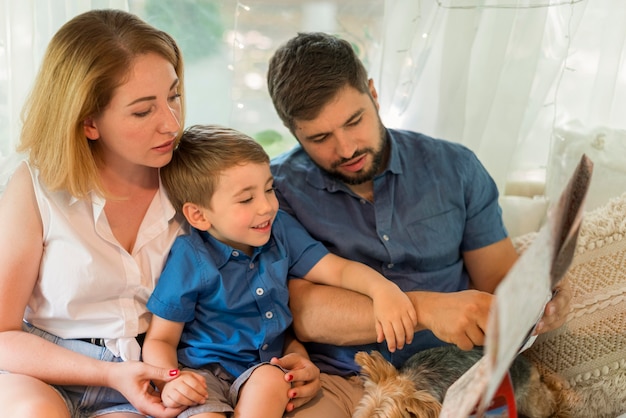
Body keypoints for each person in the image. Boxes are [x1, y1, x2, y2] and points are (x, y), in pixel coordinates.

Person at [266, 32, 573, 417]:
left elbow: (497, 278)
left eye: (354, 121)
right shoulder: (275, 192)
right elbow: (306, 312)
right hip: (345, 381)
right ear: (294, 133)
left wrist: (539, 299)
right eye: (320, 137)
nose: (345, 149)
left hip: (457, 375)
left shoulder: (455, 168)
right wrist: (426, 309)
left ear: (373, 94)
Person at [141, 124, 418, 418]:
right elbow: (160, 339)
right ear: (199, 215)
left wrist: (382, 289)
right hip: (201, 375)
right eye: (247, 199)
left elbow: (337, 271)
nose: (267, 206)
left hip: (264, 373)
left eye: (269, 189)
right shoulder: (191, 257)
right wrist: (171, 381)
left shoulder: (281, 230)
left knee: (273, 381)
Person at [0, 9, 189, 418]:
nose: (171, 124)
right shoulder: (35, 186)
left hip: (155, 369)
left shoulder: (194, 175)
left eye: (173, 96)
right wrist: (107, 374)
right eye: (143, 111)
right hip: (46, 368)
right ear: (88, 122)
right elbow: (2, 333)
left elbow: (257, 273)